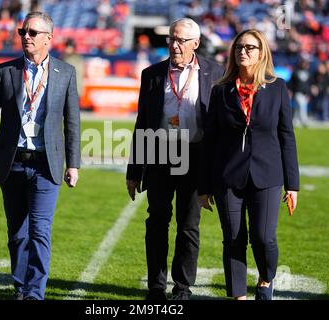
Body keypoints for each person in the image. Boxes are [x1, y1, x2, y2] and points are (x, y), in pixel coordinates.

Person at [0, 12, 81, 300]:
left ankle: (34, 293)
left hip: (46, 164)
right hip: (13, 162)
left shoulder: (65, 73)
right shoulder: (6, 71)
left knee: (40, 230)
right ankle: (20, 287)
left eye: (32, 32)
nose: (25, 36)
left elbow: (72, 121)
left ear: (48, 39)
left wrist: (74, 163)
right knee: (17, 233)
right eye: (22, 31)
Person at [126, 18, 224, 300]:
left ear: (196, 43)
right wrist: (134, 171)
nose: (174, 44)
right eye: (171, 38)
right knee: (156, 220)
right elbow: (142, 123)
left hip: (196, 155)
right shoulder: (153, 74)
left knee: (189, 224)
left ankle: (182, 288)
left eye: (181, 40)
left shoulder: (214, 72)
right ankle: (156, 288)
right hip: (160, 152)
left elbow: (218, 125)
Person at [198, 29, 299, 300]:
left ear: (261, 52)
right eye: (239, 47)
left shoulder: (277, 87)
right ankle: (238, 295)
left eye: (250, 47)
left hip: (267, 174)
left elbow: (286, 136)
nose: (243, 51)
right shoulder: (220, 90)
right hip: (227, 176)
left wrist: (293, 185)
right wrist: (204, 186)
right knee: (233, 238)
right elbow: (210, 141)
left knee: (263, 237)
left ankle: (266, 279)